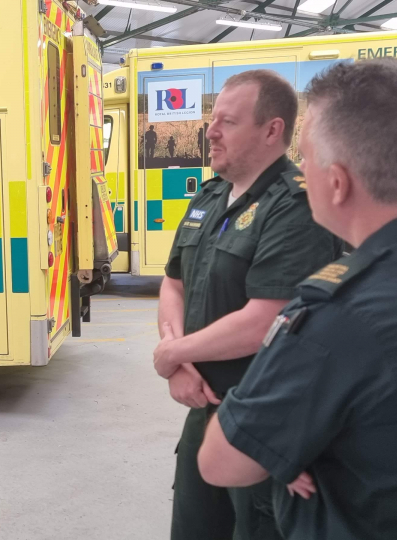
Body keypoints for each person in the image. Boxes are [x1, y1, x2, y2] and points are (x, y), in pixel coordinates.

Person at [198, 59, 397, 540]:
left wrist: (281, 440)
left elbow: (222, 460)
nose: (299, 170)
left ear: (337, 182)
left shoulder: (337, 316)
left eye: (306, 158)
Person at [153, 69, 342, 540]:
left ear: (271, 130)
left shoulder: (296, 207)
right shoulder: (209, 196)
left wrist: (173, 354)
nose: (210, 132)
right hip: (203, 412)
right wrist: (178, 361)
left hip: (263, 425)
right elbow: (173, 282)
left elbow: (265, 320)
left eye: (227, 122)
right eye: (212, 119)